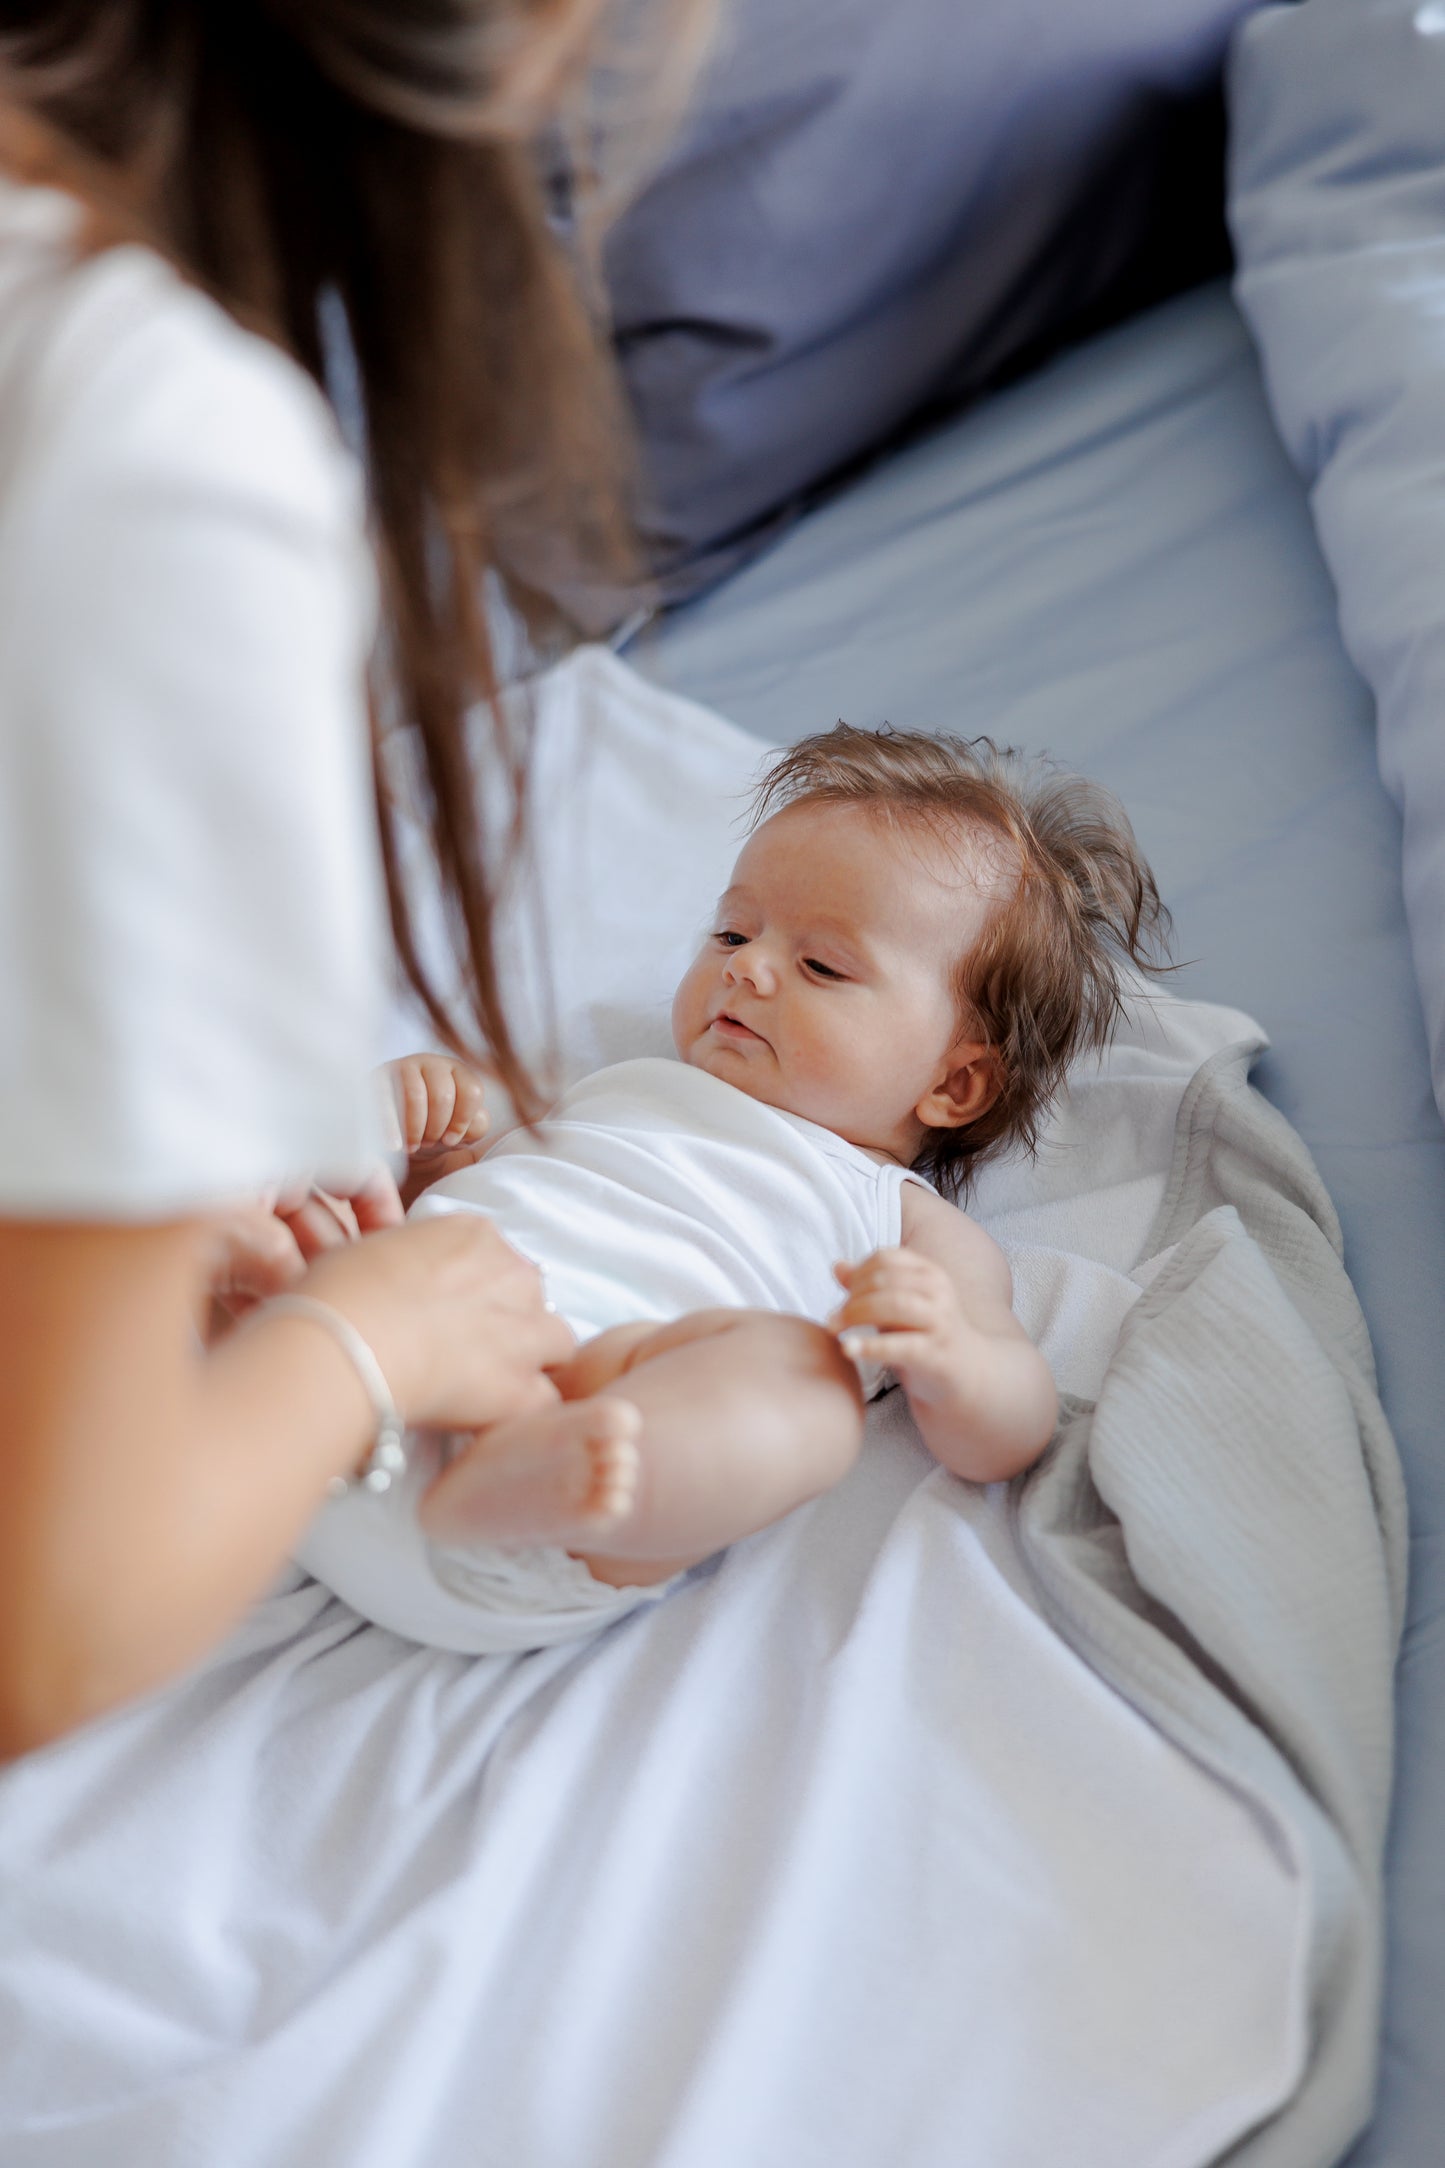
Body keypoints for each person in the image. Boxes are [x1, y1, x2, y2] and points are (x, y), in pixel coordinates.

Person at [0, 0, 707, 1759]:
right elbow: (41, 1624)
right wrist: (353, 1348)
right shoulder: (147, 457)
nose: (752, 975)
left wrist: (99, 1195)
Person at [299, 725, 1171, 1654]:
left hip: (558, 1488)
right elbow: (476, 1198)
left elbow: (1009, 1429)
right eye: (732, 931)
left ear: (954, 1084)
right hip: (349, 1379)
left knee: (804, 1392)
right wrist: (419, 1160)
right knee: (291, 1204)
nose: (746, 967)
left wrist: (954, 1355)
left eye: (822, 966)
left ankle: (541, 1461)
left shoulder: (904, 1225)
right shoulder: (615, 1091)